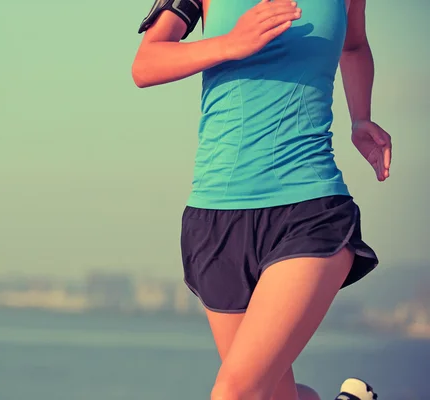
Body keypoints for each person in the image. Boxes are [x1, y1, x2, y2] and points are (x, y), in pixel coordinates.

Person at [132, 0, 391, 399]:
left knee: (234, 392)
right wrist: (231, 43)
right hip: (215, 217)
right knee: (270, 394)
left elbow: (353, 46)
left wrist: (360, 117)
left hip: (310, 209)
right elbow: (146, 64)